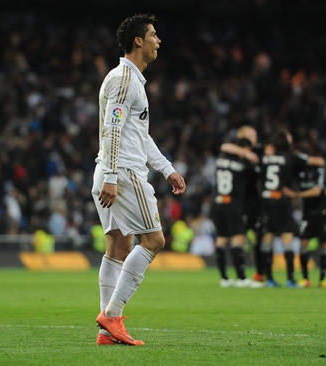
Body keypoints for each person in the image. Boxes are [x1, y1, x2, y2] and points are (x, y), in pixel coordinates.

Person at [91, 14, 186, 346]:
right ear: (138, 42)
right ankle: (112, 315)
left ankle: (107, 332)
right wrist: (114, 177)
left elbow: (139, 135)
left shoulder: (129, 80)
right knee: (155, 241)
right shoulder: (124, 80)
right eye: (154, 35)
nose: (158, 40)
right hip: (124, 172)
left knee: (119, 246)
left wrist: (166, 168)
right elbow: (114, 129)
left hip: (111, 169)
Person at [260, 129, 324, 288]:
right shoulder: (290, 157)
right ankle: (289, 279)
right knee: (287, 237)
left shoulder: (265, 158)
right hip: (281, 200)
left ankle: (268, 279)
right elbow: (318, 162)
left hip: (266, 199)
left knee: (267, 237)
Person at [210, 132, 260, 288]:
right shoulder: (244, 165)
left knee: (221, 239)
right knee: (238, 238)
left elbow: (224, 146)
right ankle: (241, 278)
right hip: (233, 204)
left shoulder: (221, 159)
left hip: (217, 202)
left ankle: (224, 278)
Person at [283, 150, 326, 289]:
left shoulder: (320, 170)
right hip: (308, 213)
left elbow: (317, 191)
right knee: (303, 243)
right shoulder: (299, 172)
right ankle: (305, 278)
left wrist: (295, 194)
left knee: (324, 244)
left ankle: (323, 279)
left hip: (324, 212)